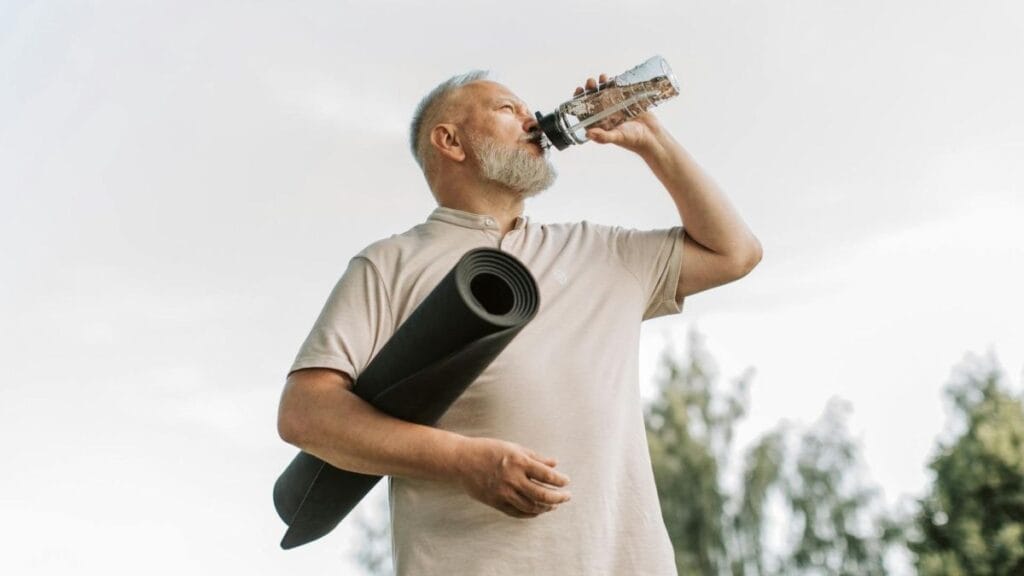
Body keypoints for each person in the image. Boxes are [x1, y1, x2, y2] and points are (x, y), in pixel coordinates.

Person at [277, 69, 762, 575]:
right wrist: (463, 461)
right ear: (450, 141)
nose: (532, 118)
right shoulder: (389, 264)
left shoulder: (602, 250)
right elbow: (306, 414)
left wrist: (652, 141)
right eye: (507, 109)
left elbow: (735, 252)